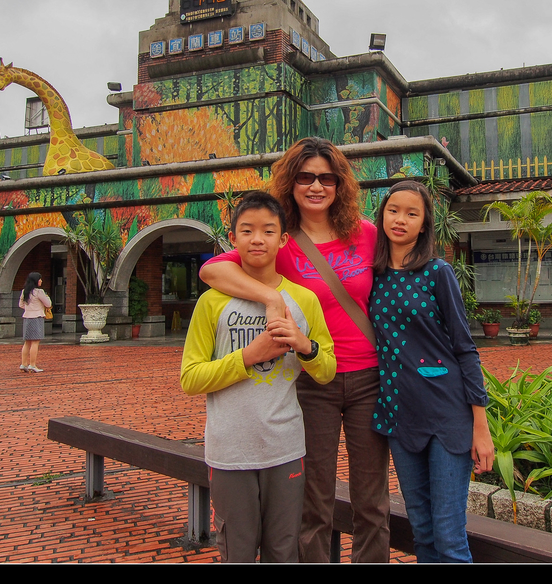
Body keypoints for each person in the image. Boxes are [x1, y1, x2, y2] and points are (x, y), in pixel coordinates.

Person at [200, 137, 391, 563]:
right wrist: (270, 298)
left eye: (327, 178)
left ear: (340, 184)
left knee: (372, 500)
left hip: (368, 377)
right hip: (310, 381)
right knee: (314, 500)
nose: (316, 186)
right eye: (305, 177)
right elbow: (211, 270)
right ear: (291, 182)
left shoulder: (365, 235)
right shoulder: (280, 239)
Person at [181, 191, 336, 563]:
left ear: (283, 239)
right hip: (229, 450)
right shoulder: (211, 302)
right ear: (232, 238)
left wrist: (305, 345)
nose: (257, 239)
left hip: (285, 448)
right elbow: (190, 378)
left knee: (284, 550)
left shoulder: (304, 300)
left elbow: (327, 371)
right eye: (247, 230)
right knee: (237, 550)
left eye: (268, 231)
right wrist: (250, 356)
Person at [369, 181, 494, 563]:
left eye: (412, 213)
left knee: (449, 536)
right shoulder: (372, 275)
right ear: (382, 216)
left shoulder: (437, 272)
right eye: (393, 211)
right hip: (399, 414)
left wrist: (480, 425)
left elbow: (465, 348)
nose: (400, 220)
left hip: (446, 414)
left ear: (424, 224)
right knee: (421, 531)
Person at [18, 272, 52, 373]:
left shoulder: (25, 291)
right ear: (35, 281)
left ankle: (23, 364)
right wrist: (46, 298)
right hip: (37, 317)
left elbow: (21, 305)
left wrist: (29, 309)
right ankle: (32, 365)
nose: (41, 280)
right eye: (39, 279)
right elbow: (48, 304)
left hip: (27, 317)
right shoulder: (39, 292)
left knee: (27, 342)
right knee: (35, 342)